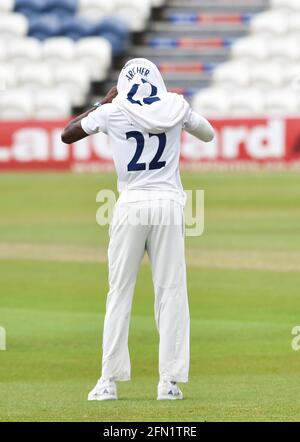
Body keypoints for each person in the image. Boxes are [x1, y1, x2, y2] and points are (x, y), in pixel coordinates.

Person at [61, 58, 214, 401]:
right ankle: (169, 382)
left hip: (130, 206)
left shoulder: (113, 110)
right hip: (169, 206)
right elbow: (209, 133)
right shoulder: (175, 106)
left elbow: (67, 134)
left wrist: (103, 101)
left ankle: (107, 382)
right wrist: (179, 111)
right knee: (171, 292)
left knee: (119, 292)